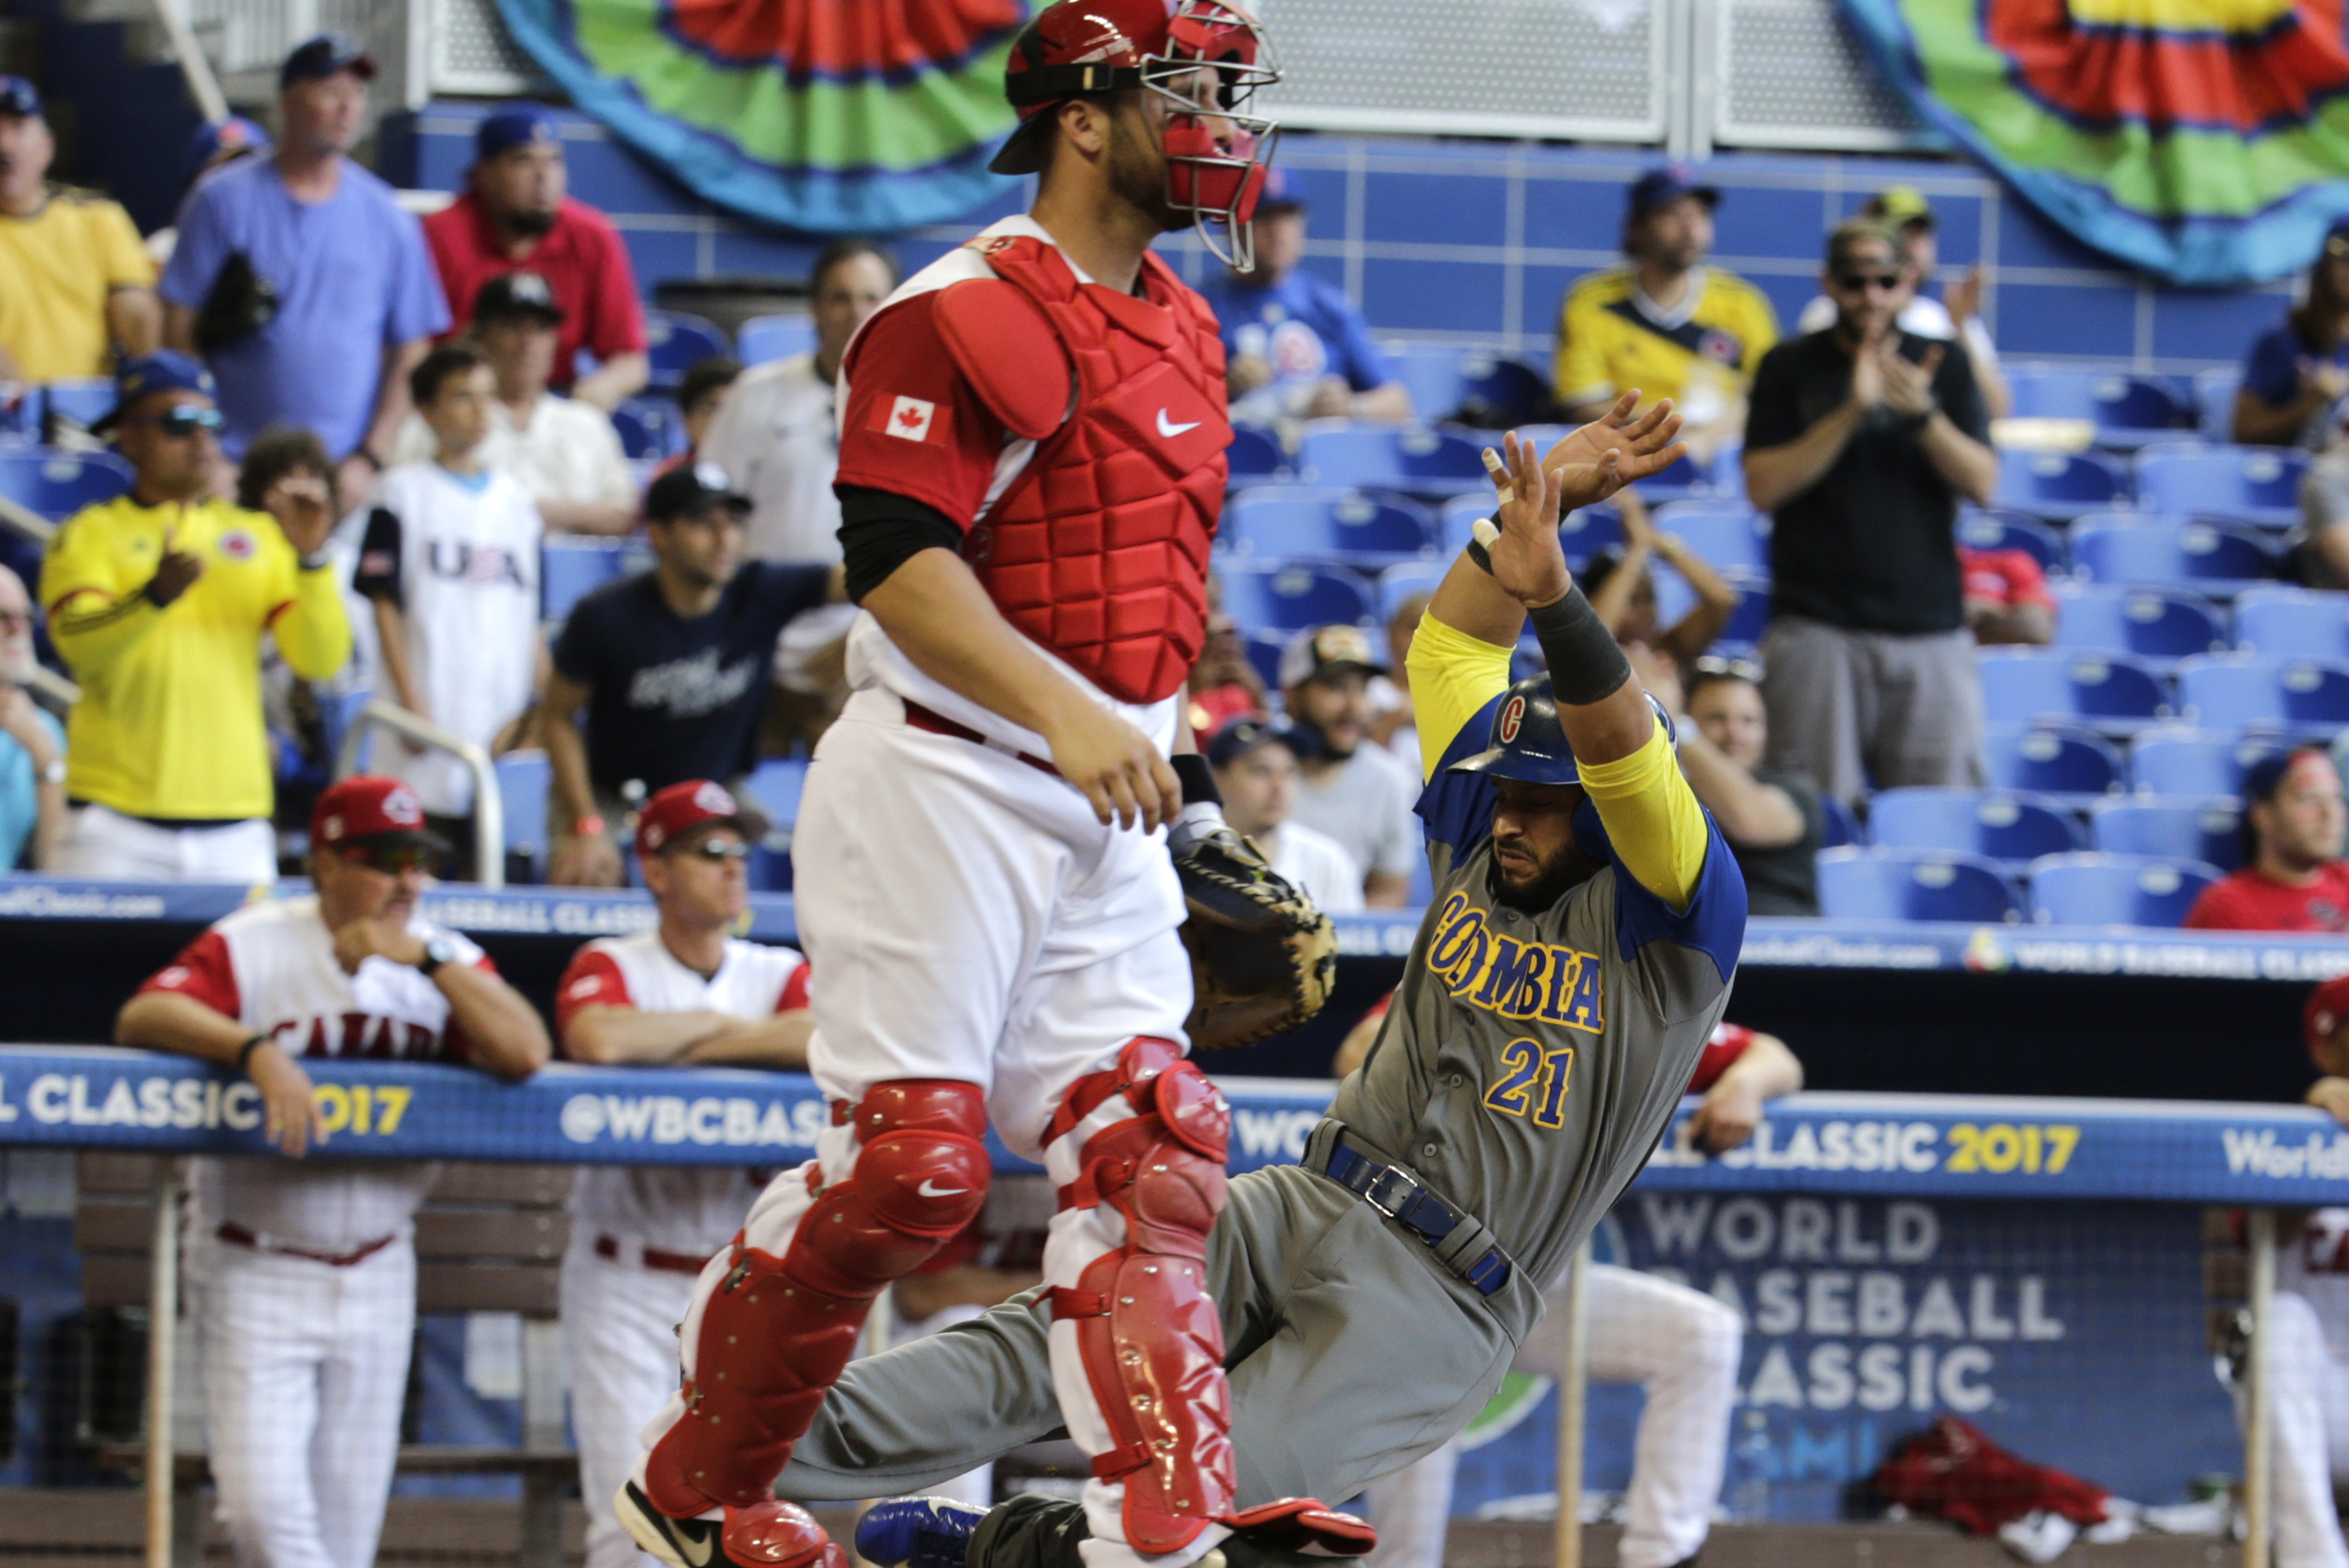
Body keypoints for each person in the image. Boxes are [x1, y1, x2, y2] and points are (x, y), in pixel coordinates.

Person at [607, 5, 1358, 1566]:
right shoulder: (955, 306)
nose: (1223, 119)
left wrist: (1197, 798)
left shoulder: (1186, 324)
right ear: (1086, 115)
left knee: (1153, 1150)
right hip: (943, 775)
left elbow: (1141, 614)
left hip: (1110, 804)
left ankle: (1164, 1525)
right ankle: (698, 1487)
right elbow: (893, 565)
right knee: (913, 1166)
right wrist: (1071, 718)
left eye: (1228, 90)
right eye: (1191, 89)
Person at [775, 411, 1738, 1568]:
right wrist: (1530, 525)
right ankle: (753, 1436)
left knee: (1200, 1518)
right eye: (1510, 791)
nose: (1512, 813)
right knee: (1059, 1331)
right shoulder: (1485, 828)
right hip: (1304, 1197)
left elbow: (1626, 753)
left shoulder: (1677, 901)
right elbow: (1447, 650)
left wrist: (1561, 604)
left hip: (1443, 1297)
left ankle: (1009, 1548)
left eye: (1544, 797)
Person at [113, 773, 549, 1568]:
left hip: (380, 1262)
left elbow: (525, 1050)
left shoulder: (441, 954)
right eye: (384, 859)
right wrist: (255, 1048)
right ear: (324, 863)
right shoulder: (254, 940)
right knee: (262, 1514)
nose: (407, 878)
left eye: (418, 859)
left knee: (347, 1536)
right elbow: (144, 1011)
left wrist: (428, 958)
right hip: (257, 1258)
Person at [1342, 1017, 1802, 1568]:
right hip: (1423, 1283)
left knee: (1700, 1337)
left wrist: (1745, 1082)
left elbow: (1775, 1054)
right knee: (1424, 1369)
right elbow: (1357, 1050)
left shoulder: (1617, 1011)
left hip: (1532, 1286)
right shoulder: (1476, 972)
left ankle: (1663, 1556)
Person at [554, 779, 816, 1568]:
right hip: (624, 1278)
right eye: (710, 850)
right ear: (656, 869)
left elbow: (822, 1035)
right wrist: (729, 1031)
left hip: (744, 1289)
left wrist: (683, 1042)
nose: (734, 865)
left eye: (740, 849)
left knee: (740, 1521)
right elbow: (598, 1037)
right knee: (626, 1524)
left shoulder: (775, 967)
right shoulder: (611, 960)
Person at [40, 352, 348, 881]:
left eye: (211, 424)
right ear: (129, 437)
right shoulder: (89, 532)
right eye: (179, 424)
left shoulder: (260, 535)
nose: (201, 440)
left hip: (236, 826)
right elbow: (77, 646)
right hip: (112, 824)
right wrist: (152, 598)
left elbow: (319, 660)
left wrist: (312, 560)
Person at [1744, 219, 1997, 809]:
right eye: (1856, 282)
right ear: (1828, 284)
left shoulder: (1944, 363)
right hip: (1818, 627)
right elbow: (1762, 487)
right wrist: (1850, 412)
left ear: (1908, 281)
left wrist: (1923, 417)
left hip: (1929, 627)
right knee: (1813, 813)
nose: (1872, 297)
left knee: (1942, 818)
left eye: (1885, 281)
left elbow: (1983, 482)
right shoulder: (1788, 366)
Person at [161, 33, 449, 502]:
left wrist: (371, 458)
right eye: (331, 91)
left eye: (356, 94)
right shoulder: (220, 199)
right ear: (289, 99)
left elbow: (412, 348)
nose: (347, 108)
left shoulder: (387, 215)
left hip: (342, 473)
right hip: (234, 467)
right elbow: (179, 331)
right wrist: (207, 451)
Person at [544, 462, 837, 886]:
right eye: (703, 523)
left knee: (789, 866)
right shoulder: (604, 616)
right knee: (588, 873)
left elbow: (873, 582)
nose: (724, 539)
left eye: (734, 523)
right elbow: (557, 718)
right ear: (659, 533)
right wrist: (585, 824)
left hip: (713, 791)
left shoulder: (762, 591)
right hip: (609, 794)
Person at [355, 344, 545, 873]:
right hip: (426, 713)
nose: (480, 411)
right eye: (463, 397)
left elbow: (533, 615)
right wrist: (409, 705)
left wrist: (541, 711)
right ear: (427, 409)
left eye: (487, 397)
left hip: (502, 718)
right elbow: (383, 603)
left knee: (497, 866)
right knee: (416, 865)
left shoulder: (517, 504)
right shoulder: (399, 493)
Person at [423, 104, 650, 410]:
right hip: (458, 404)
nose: (543, 177)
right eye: (524, 161)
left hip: (553, 403)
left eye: (554, 161)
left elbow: (630, 361)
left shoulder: (592, 235)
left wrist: (601, 387)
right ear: (484, 173)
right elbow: (411, 353)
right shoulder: (438, 236)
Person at [1553, 166, 1779, 456]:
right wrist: (1675, 430)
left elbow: (1768, 398)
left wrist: (1708, 437)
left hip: (1722, 453)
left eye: (1700, 215)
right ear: (1637, 228)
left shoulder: (1743, 302)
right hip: (1622, 453)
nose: (1690, 228)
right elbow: (1583, 405)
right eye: (1673, 214)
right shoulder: (1590, 302)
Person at [699, 240, 898, 564]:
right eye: (840, 298)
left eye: (871, 298)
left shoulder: (920, 406)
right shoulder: (754, 393)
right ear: (815, 309)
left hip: (878, 609)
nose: (857, 314)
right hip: (769, 606)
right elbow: (711, 504)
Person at [395, 272, 637, 535]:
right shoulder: (439, 420)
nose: (528, 343)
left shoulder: (586, 423)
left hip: (574, 567)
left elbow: (625, 517)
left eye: (541, 329)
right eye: (513, 326)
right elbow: (403, 505)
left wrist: (554, 514)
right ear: (479, 338)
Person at [1195, 168, 1411, 428]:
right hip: (1241, 455)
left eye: (1288, 217)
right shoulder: (1201, 307)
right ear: (1231, 229)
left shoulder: (1328, 304)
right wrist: (1226, 388)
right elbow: (1172, 409)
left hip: (1323, 459)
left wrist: (1350, 407)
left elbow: (1398, 404)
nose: (1279, 232)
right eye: (1263, 218)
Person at [1795, 187, 2008, 420]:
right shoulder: (1832, 313)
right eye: (1898, 232)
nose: (1912, 247)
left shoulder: (1946, 318)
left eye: (1921, 235)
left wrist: (1961, 326)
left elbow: (1995, 413)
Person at [0, 74, 161, 382]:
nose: (4, 145)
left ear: (48, 146)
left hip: (93, 406)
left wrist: (145, 383)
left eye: (18, 128)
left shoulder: (98, 216)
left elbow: (136, 312)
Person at [1281, 625, 1422, 907]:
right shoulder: (1256, 767)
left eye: (1362, 689)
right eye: (1336, 687)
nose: (1354, 706)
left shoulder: (1390, 779)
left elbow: (1389, 890)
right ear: (1293, 694)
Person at [1672, 660, 1820, 916]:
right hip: (1689, 942)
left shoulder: (1795, 788)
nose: (1734, 733)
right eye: (1717, 718)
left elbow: (1749, 821)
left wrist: (1678, 725)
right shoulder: (1670, 791)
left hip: (1784, 945)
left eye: (1749, 721)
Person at [1208, 718, 1365, 914]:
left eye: (1289, 772)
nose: (1278, 787)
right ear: (1215, 778)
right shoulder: (1189, 856)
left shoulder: (1328, 861)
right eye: (1260, 771)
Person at [2183, 748, 2349, 932]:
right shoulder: (2226, 907)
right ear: (2263, 814)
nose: (2329, 814)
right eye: (2308, 799)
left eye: (2337, 799)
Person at [1578, 493, 1741, 676]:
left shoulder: (1668, 650)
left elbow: (1721, 600)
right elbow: (1595, 639)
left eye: (1650, 599)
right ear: (1591, 601)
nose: (1645, 612)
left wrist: (1655, 540)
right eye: (1632, 600)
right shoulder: (1570, 655)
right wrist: (1637, 552)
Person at [2237, 218, 2349, 451]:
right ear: (2326, 265)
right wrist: (2310, 404)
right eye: (2345, 259)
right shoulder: (2284, 342)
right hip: (2304, 478)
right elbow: (2244, 433)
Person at [0, 562, 64, 870]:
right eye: (3, 617)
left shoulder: (43, 727)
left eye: (25, 617)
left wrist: (43, 754)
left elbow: (51, 865)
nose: (18, 630)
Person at [1958, 539, 2056, 646]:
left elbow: (2035, 629)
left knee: (2034, 617)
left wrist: (1987, 609)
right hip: (1955, 648)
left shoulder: (2016, 561)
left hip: (2014, 631)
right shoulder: (1946, 566)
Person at [671, 355, 741, 470]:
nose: (723, 421)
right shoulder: (670, 479)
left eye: (733, 410)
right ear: (686, 420)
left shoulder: (770, 475)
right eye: (711, 410)